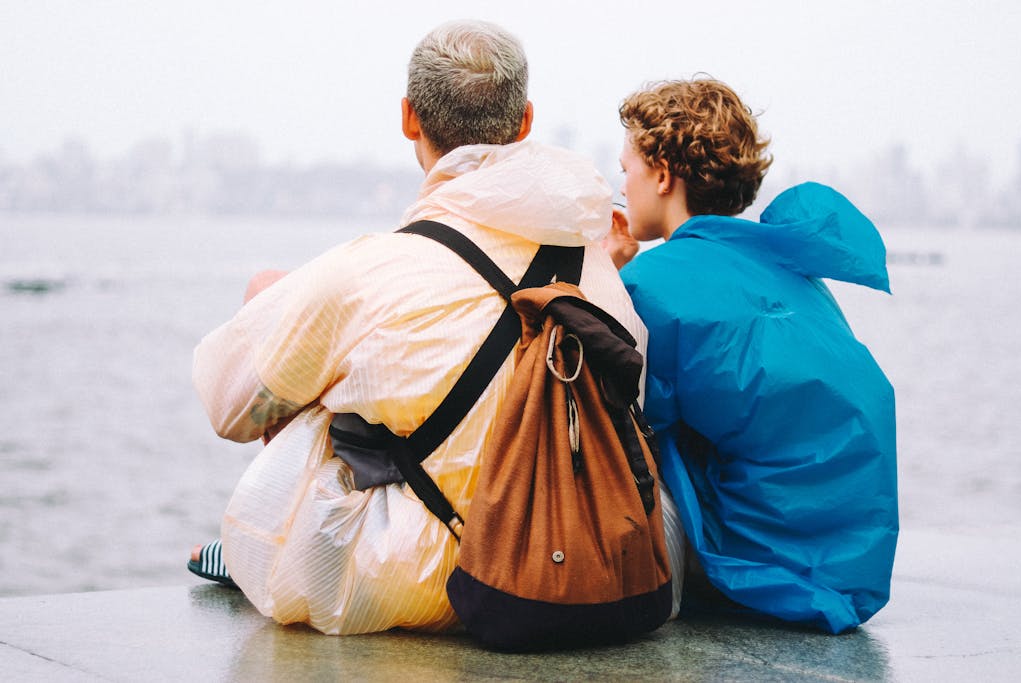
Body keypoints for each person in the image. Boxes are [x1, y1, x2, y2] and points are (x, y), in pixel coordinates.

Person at [190, 20, 684, 636]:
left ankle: (260, 549)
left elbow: (230, 408)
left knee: (277, 303)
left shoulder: (371, 272)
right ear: (525, 122)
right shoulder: (598, 270)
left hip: (417, 581)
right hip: (573, 566)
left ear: (409, 118)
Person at [604, 78, 898, 634]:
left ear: (662, 175)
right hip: (853, 564)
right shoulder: (788, 266)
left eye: (627, 169)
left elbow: (626, 423)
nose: (623, 185)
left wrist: (607, 277)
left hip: (765, 569)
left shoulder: (653, 281)